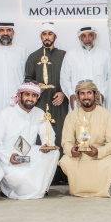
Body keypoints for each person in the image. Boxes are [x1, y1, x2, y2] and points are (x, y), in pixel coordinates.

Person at [58, 80, 111, 197]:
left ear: (95, 95)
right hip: (80, 154)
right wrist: (72, 151)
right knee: (65, 161)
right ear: (78, 96)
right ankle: (79, 189)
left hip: (100, 154)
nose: (86, 97)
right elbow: (66, 142)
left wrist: (98, 151)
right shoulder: (71, 116)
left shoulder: (107, 115)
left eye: (89, 93)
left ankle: (103, 189)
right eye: (82, 93)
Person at [0, 82, 58, 200]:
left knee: (54, 152)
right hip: (9, 157)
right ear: (19, 96)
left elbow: (48, 134)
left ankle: (40, 188)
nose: (30, 98)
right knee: (20, 177)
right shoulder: (6, 114)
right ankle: (9, 189)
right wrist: (9, 157)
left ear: (37, 98)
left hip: (28, 154)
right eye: (27, 95)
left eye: (34, 95)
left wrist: (47, 144)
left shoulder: (39, 113)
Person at [24, 22, 68, 151]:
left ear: (55, 36)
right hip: (40, 102)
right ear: (41, 37)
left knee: (60, 132)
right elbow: (27, 79)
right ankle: (39, 161)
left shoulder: (64, 55)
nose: (47, 37)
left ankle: (60, 163)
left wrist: (64, 93)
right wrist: (37, 86)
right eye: (44, 34)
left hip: (59, 102)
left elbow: (71, 78)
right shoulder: (33, 57)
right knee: (40, 132)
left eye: (50, 34)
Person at [61, 26, 109, 109]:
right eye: (84, 36)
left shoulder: (105, 55)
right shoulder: (71, 55)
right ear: (79, 38)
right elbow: (64, 78)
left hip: (98, 100)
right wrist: (71, 94)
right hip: (77, 101)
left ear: (95, 36)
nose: (87, 39)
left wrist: (103, 94)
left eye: (90, 35)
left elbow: (110, 78)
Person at [0, 21, 27, 111]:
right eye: (2, 30)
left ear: (13, 32)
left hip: (16, 96)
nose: (5, 33)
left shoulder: (22, 51)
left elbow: (26, 76)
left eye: (8, 30)